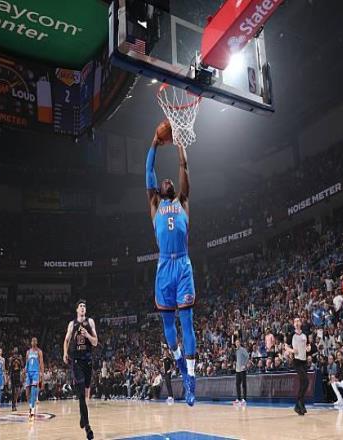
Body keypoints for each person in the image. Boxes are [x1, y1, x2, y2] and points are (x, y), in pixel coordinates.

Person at [145, 120, 196, 406]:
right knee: (168, 325)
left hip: (183, 265)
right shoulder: (155, 204)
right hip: (164, 267)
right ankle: (179, 364)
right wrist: (154, 142)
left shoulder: (182, 200)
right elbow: (148, 171)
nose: (166, 180)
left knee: (187, 322)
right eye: (163, 181)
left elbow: (184, 167)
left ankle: (191, 380)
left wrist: (179, 143)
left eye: (170, 181)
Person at [63, 299, 98, 440]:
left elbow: (95, 342)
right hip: (76, 361)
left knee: (86, 393)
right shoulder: (72, 324)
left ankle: (83, 416)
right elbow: (66, 340)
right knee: (82, 394)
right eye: (80, 306)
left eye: (84, 306)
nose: (83, 308)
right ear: (77, 310)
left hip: (88, 361)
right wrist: (65, 353)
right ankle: (88, 428)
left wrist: (87, 335)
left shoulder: (90, 322)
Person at [284, 317, 310, 415]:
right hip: (297, 361)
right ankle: (299, 402)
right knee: (306, 381)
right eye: (295, 321)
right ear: (294, 324)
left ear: (301, 323)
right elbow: (286, 346)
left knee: (303, 383)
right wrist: (291, 350)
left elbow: (308, 345)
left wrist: (308, 348)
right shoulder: (291, 334)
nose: (297, 322)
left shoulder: (305, 334)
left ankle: (298, 405)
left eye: (298, 321)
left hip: (304, 360)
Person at [25, 337, 44, 420]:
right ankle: (30, 406)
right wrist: (25, 371)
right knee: (27, 392)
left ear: (37, 342)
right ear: (31, 342)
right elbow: (27, 363)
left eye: (35, 341)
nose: (33, 342)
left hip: (36, 372)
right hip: (28, 373)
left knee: (33, 390)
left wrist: (42, 375)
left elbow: (41, 363)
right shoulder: (28, 352)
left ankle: (32, 409)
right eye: (32, 341)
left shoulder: (39, 351)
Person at [234, 338, 249, 406]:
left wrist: (244, 365)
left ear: (240, 343)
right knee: (237, 384)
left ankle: (244, 399)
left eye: (238, 342)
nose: (237, 344)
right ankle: (238, 398)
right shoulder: (236, 351)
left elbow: (247, 356)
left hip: (242, 370)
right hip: (237, 370)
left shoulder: (242, 349)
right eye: (236, 342)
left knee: (244, 385)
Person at [8, 347, 23, 411]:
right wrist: (8, 377)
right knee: (13, 391)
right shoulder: (11, 358)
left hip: (18, 375)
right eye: (15, 350)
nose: (15, 351)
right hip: (13, 375)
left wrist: (20, 360)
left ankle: (15, 401)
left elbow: (22, 366)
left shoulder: (19, 358)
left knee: (18, 390)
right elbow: (9, 368)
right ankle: (13, 405)